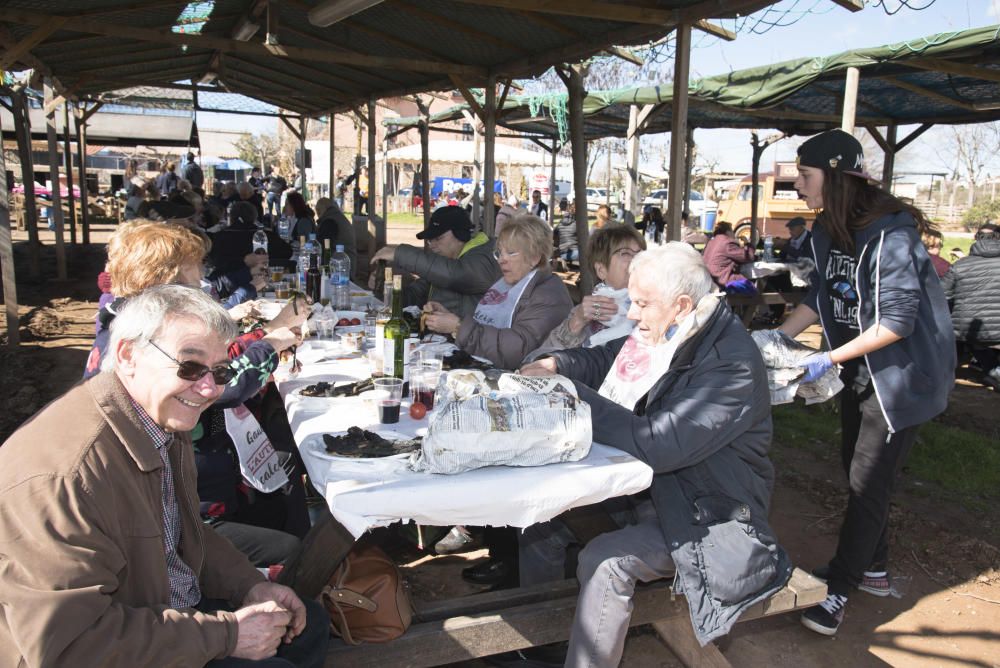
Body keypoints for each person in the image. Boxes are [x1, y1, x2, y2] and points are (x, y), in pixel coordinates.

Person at [0, 285, 328, 667]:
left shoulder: (158, 420)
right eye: (189, 367)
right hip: (110, 644)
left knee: (308, 624)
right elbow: (71, 646)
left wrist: (250, 586)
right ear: (127, 355)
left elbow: (186, 530)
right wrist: (227, 635)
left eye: (220, 371)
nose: (208, 388)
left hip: (161, 607)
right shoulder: (64, 479)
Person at [510, 243, 790, 666]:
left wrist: (573, 396)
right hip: (657, 495)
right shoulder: (683, 329)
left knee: (606, 561)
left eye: (642, 304)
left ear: (680, 305)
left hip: (713, 518)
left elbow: (659, 444)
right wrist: (556, 365)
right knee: (539, 515)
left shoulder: (729, 364)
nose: (633, 313)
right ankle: (543, 648)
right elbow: (608, 357)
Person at [779, 129, 955, 636]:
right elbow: (822, 293)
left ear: (834, 177)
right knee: (856, 472)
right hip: (860, 370)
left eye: (805, 176)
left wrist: (826, 356)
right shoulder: (830, 230)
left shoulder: (890, 235)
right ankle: (874, 569)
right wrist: (778, 338)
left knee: (867, 482)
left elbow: (896, 321)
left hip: (902, 379)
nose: (798, 185)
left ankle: (840, 588)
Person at [422, 213, 572, 369]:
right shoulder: (509, 283)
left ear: (534, 258)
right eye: (500, 252)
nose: (502, 259)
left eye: (511, 252)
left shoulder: (549, 295)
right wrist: (448, 318)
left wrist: (458, 327)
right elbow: (488, 326)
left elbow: (517, 352)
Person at [527, 224, 645, 361]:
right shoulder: (585, 313)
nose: (638, 260)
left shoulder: (658, 309)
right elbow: (538, 360)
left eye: (640, 254)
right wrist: (576, 323)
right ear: (601, 270)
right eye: (626, 253)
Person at [370, 205, 500, 320]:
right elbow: (412, 298)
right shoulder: (442, 266)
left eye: (438, 238)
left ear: (461, 235)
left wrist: (399, 254)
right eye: (430, 240)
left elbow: (455, 275)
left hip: (467, 344)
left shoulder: (486, 257)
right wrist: (385, 287)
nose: (432, 245)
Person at [941, 222, 1000, 391]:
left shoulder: (961, 265)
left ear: (976, 239)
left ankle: (992, 371)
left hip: (969, 330)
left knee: (976, 344)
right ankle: (994, 371)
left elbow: (942, 296)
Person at [702, 221, 754, 290]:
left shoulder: (711, 242)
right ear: (728, 232)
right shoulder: (727, 242)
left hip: (708, 278)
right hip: (721, 280)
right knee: (751, 288)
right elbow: (748, 256)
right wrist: (747, 243)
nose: (733, 234)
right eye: (732, 231)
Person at [315, 196, 358, 278]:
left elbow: (323, 247)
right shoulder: (337, 217)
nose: (318, 215)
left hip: (340, 269)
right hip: (347, 265)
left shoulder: (330, 221)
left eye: (318, 212)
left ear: (321, 210)